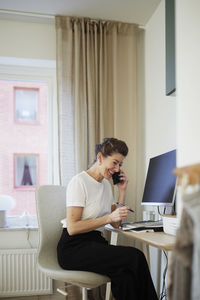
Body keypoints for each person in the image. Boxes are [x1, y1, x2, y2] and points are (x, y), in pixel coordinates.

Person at [57, 137, 158, 300]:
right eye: (114, 163)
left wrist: (122, 191)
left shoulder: (105, 185)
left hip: (94, 242)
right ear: (100, 158)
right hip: (73, 247)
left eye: (120, 165)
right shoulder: (79, 182)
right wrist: (108, 218)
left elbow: (116, 223)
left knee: (124, 276)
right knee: (135, 257)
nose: (117, 169)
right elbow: (73, 228)